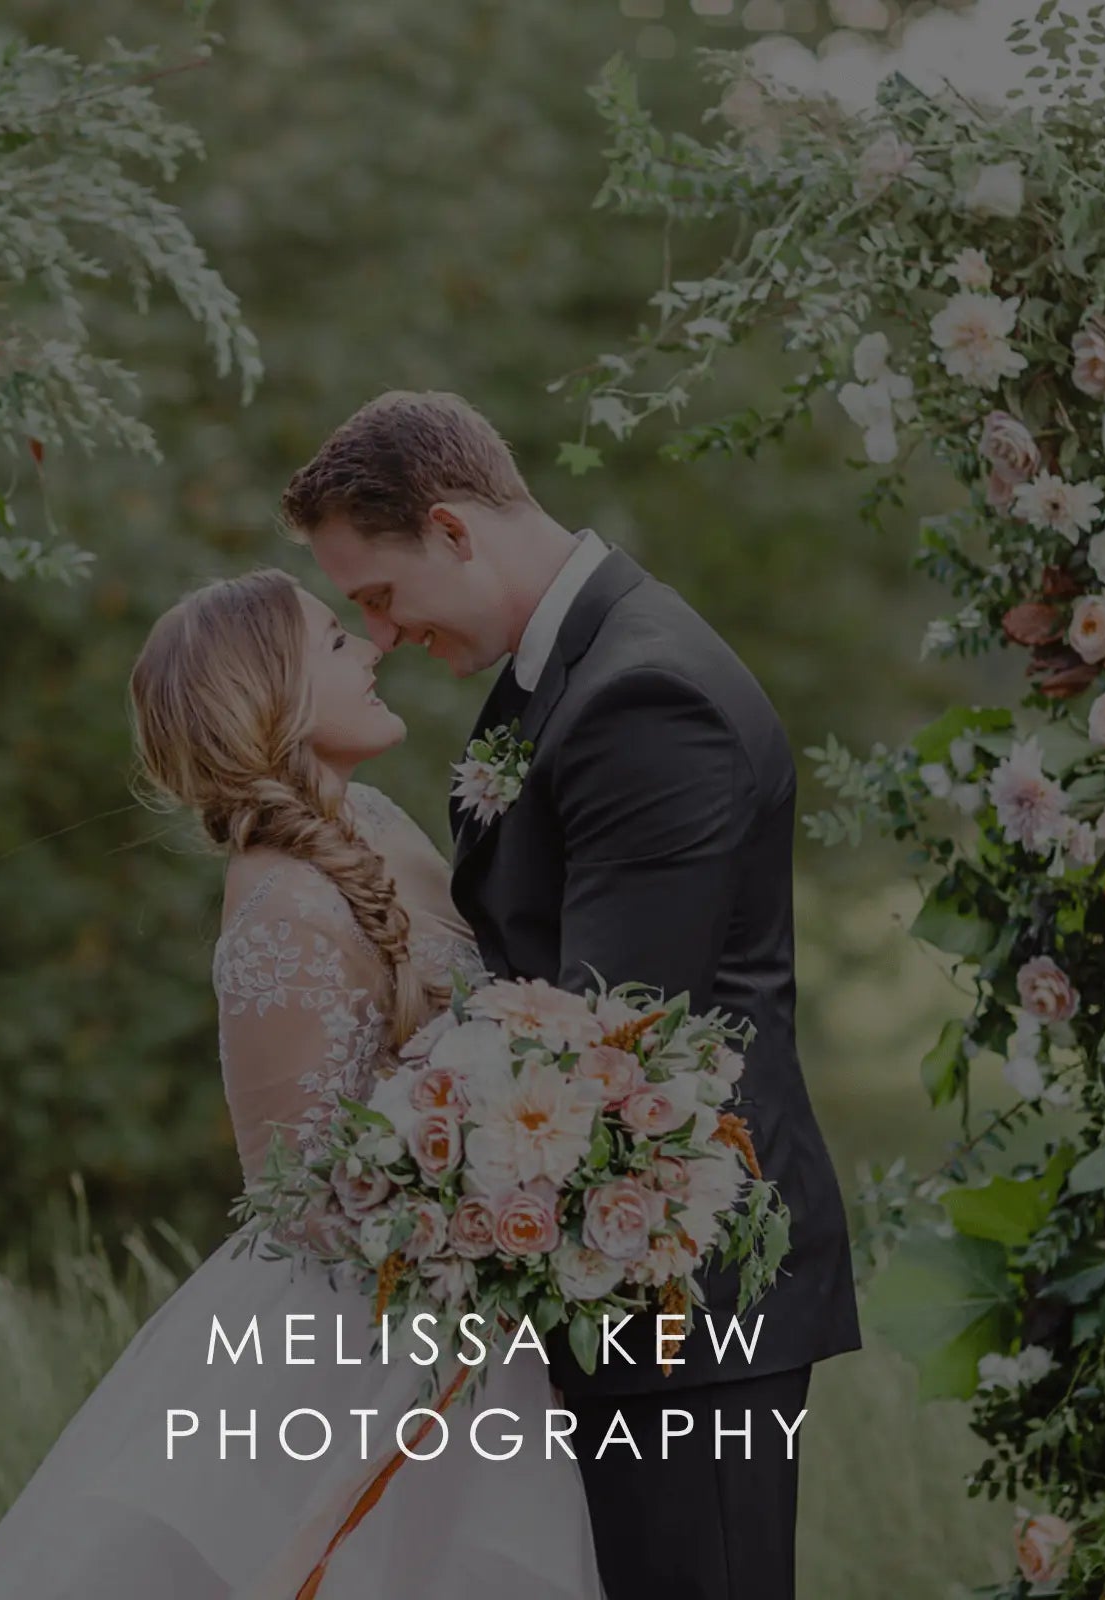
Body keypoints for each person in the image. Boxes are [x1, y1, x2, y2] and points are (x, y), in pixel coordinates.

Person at [284, 389, 863, 1600]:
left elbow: (599, 1046)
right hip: (622, 1291)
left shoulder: (648, 699)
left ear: (451, 530)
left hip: (684, 1303)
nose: (378, 636)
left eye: (377, 596)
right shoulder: (568, 676)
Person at [0, 569, 602, 1600]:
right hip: (355, 1342)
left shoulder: (374, 818)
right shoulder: (278, 899)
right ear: (274, 695)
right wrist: (469, 1198)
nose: (374, 647)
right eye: (339, 643)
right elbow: (293, 1186)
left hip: (465, 1315)